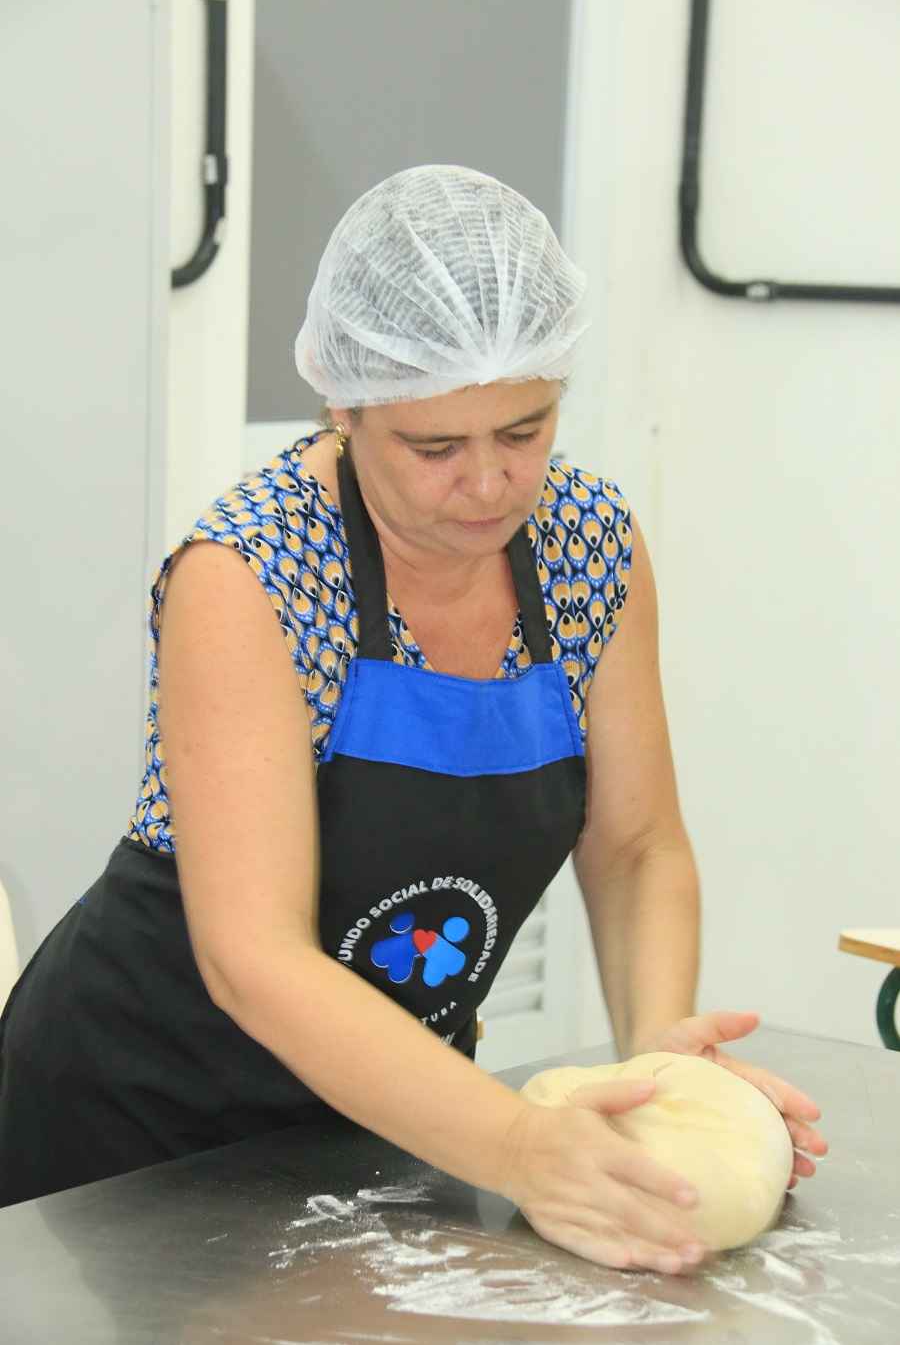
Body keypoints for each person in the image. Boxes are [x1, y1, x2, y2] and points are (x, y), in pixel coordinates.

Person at [0, 165, 825, 1270]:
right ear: (345, 405)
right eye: (434, 449)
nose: (489, 483)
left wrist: (657, 1064)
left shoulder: (588, 541)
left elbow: (633, 848)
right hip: (131, 1136)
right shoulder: (253, 571)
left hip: (391, 1123)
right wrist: (519, 1144)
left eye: (524, 430)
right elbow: (256, 958)